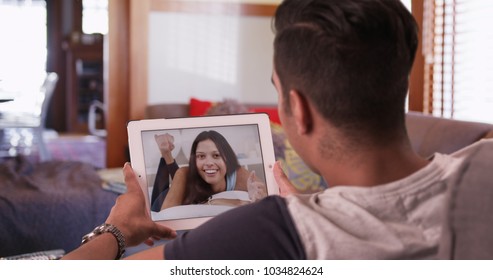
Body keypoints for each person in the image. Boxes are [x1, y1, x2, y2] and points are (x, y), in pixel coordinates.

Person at [62, 0, 491, 260]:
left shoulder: (271, 231)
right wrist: (317, 203)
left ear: (296, 111)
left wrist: (118, 231)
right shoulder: (483, 164)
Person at [152, 130, 267, 211]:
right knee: (181, 176)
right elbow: (166, 219)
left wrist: (257, 200)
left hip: (188, 189)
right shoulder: (183, 173)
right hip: (162, 202)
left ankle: (166, 154)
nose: (209, 163)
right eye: (201, 156)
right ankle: (166, 154)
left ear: (227, 158)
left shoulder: (240, 175)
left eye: (216, 155)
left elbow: (268, 201)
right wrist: (215, 202)